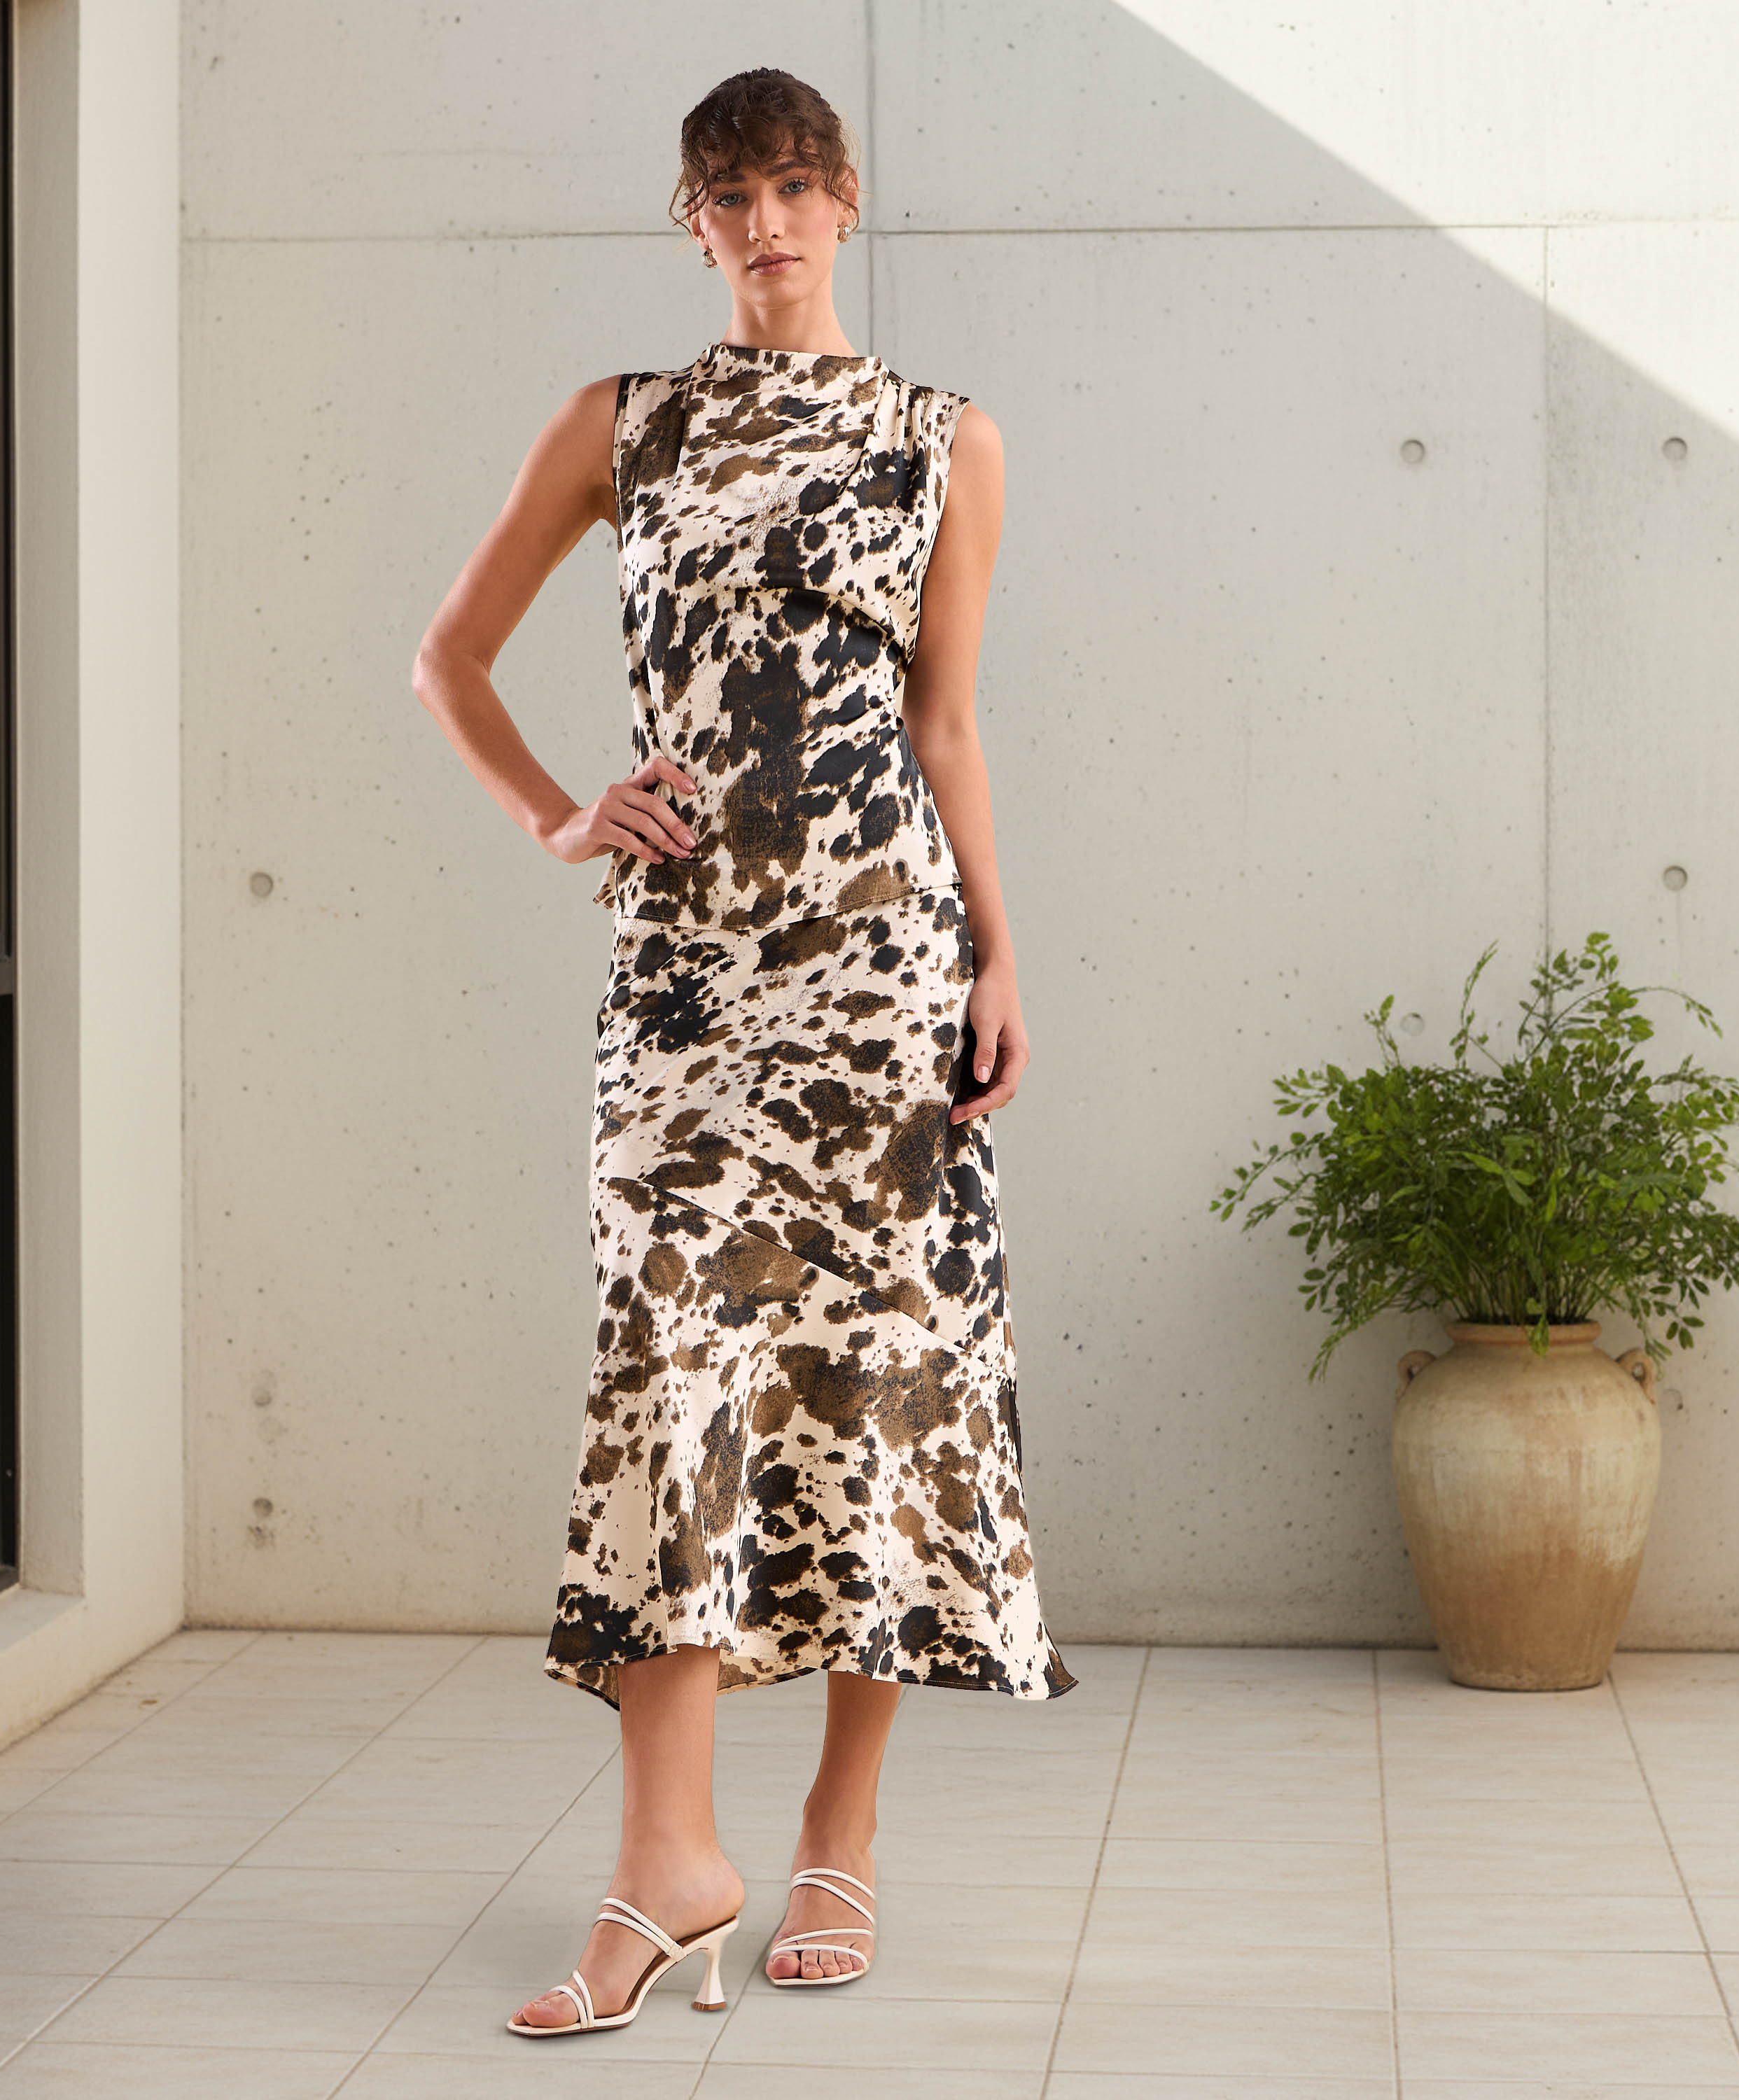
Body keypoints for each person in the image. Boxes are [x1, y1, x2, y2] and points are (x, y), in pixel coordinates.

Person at [413, 67, 1075, 2039]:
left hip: (884, 974)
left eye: (793, 184)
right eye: (729, 193)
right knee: (666, 1379)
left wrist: (999, 953)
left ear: (845, 200)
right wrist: (560, 815)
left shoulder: (943, 439)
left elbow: (946, 725)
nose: (766, 221)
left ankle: (839, 1833)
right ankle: (667, 1863)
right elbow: (449, 653)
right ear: (688, 220)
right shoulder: (623, 424)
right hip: (687, 987)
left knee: (882, 1384)